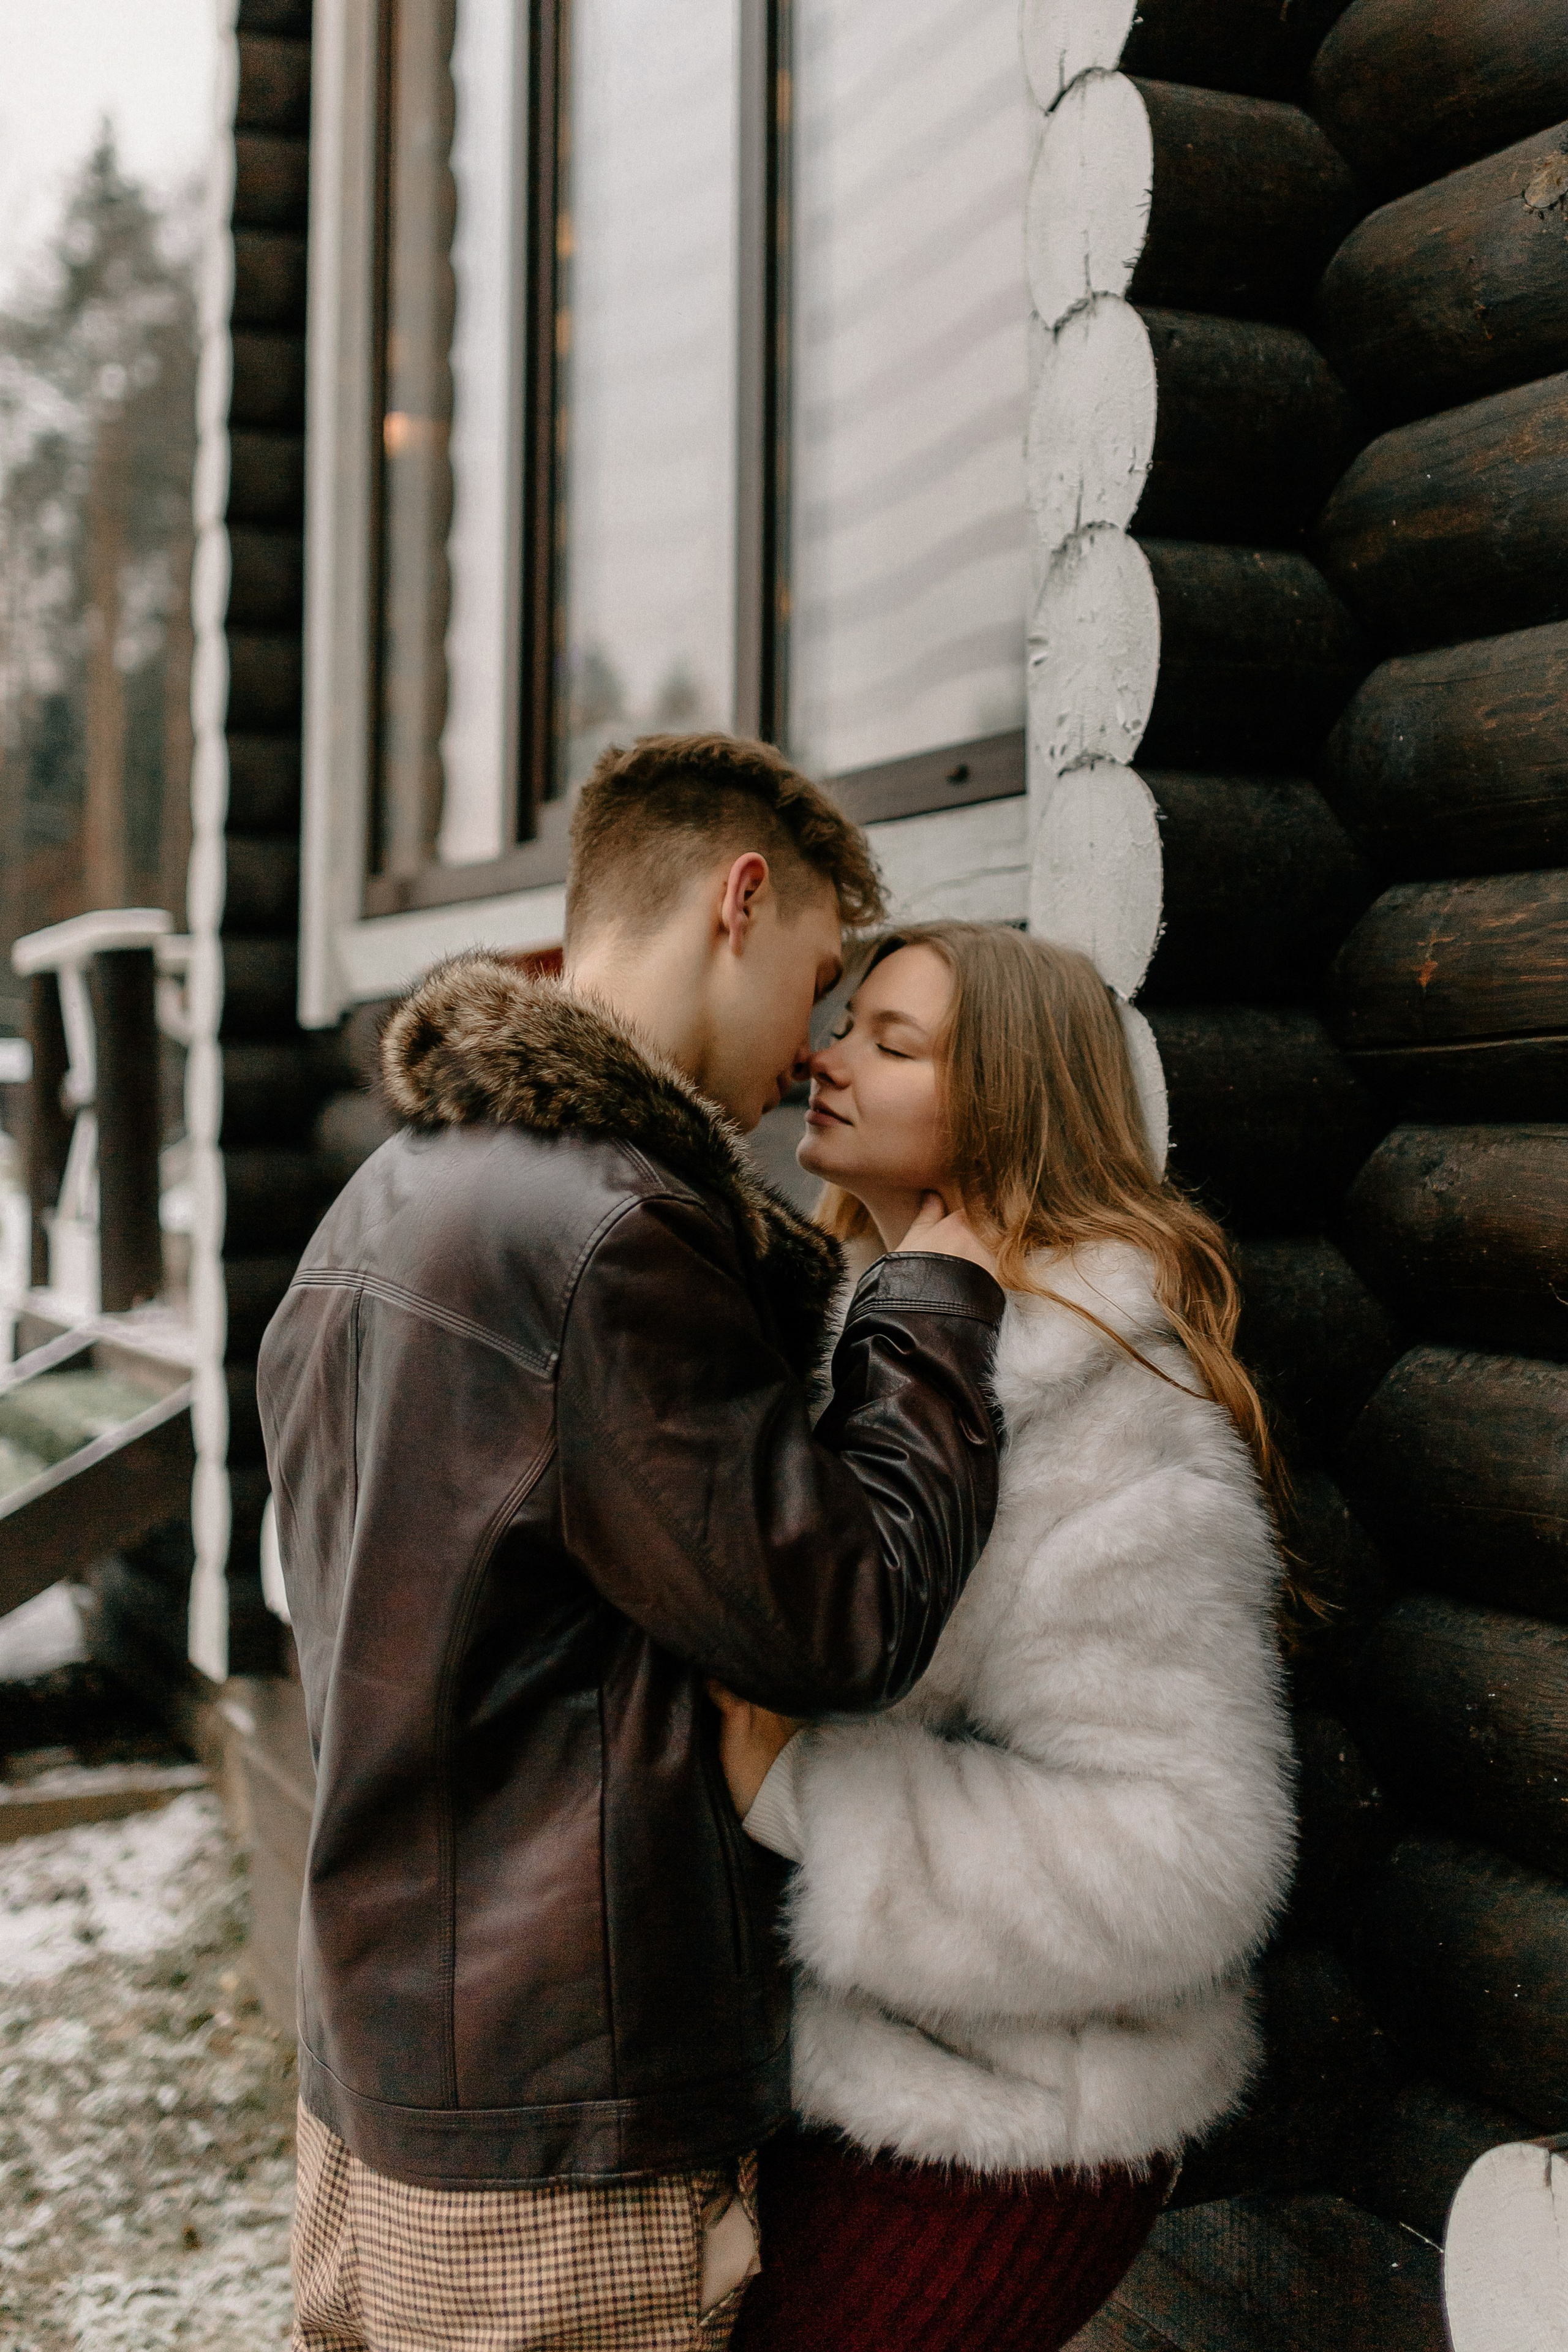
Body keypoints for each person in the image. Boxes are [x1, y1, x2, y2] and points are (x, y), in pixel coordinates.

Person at [257, 737, 1008, 2352]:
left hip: (380, 2069)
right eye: (818, 980)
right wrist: (932, 1297)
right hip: (557, 2129)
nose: (809, 1052)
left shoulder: (383, 1194)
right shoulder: (611, 1233)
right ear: (739, 900)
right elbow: (847, 1617)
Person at [713, 922, 1295, 2352]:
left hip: (1002, 2135)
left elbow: (1188, 1853)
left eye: (891, 1043)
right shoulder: (863, 1331)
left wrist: (803, 1796)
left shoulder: (1100, 1417)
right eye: (844, 1024)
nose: (827, 1058)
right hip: (843, 2094)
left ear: (1007, 1106)